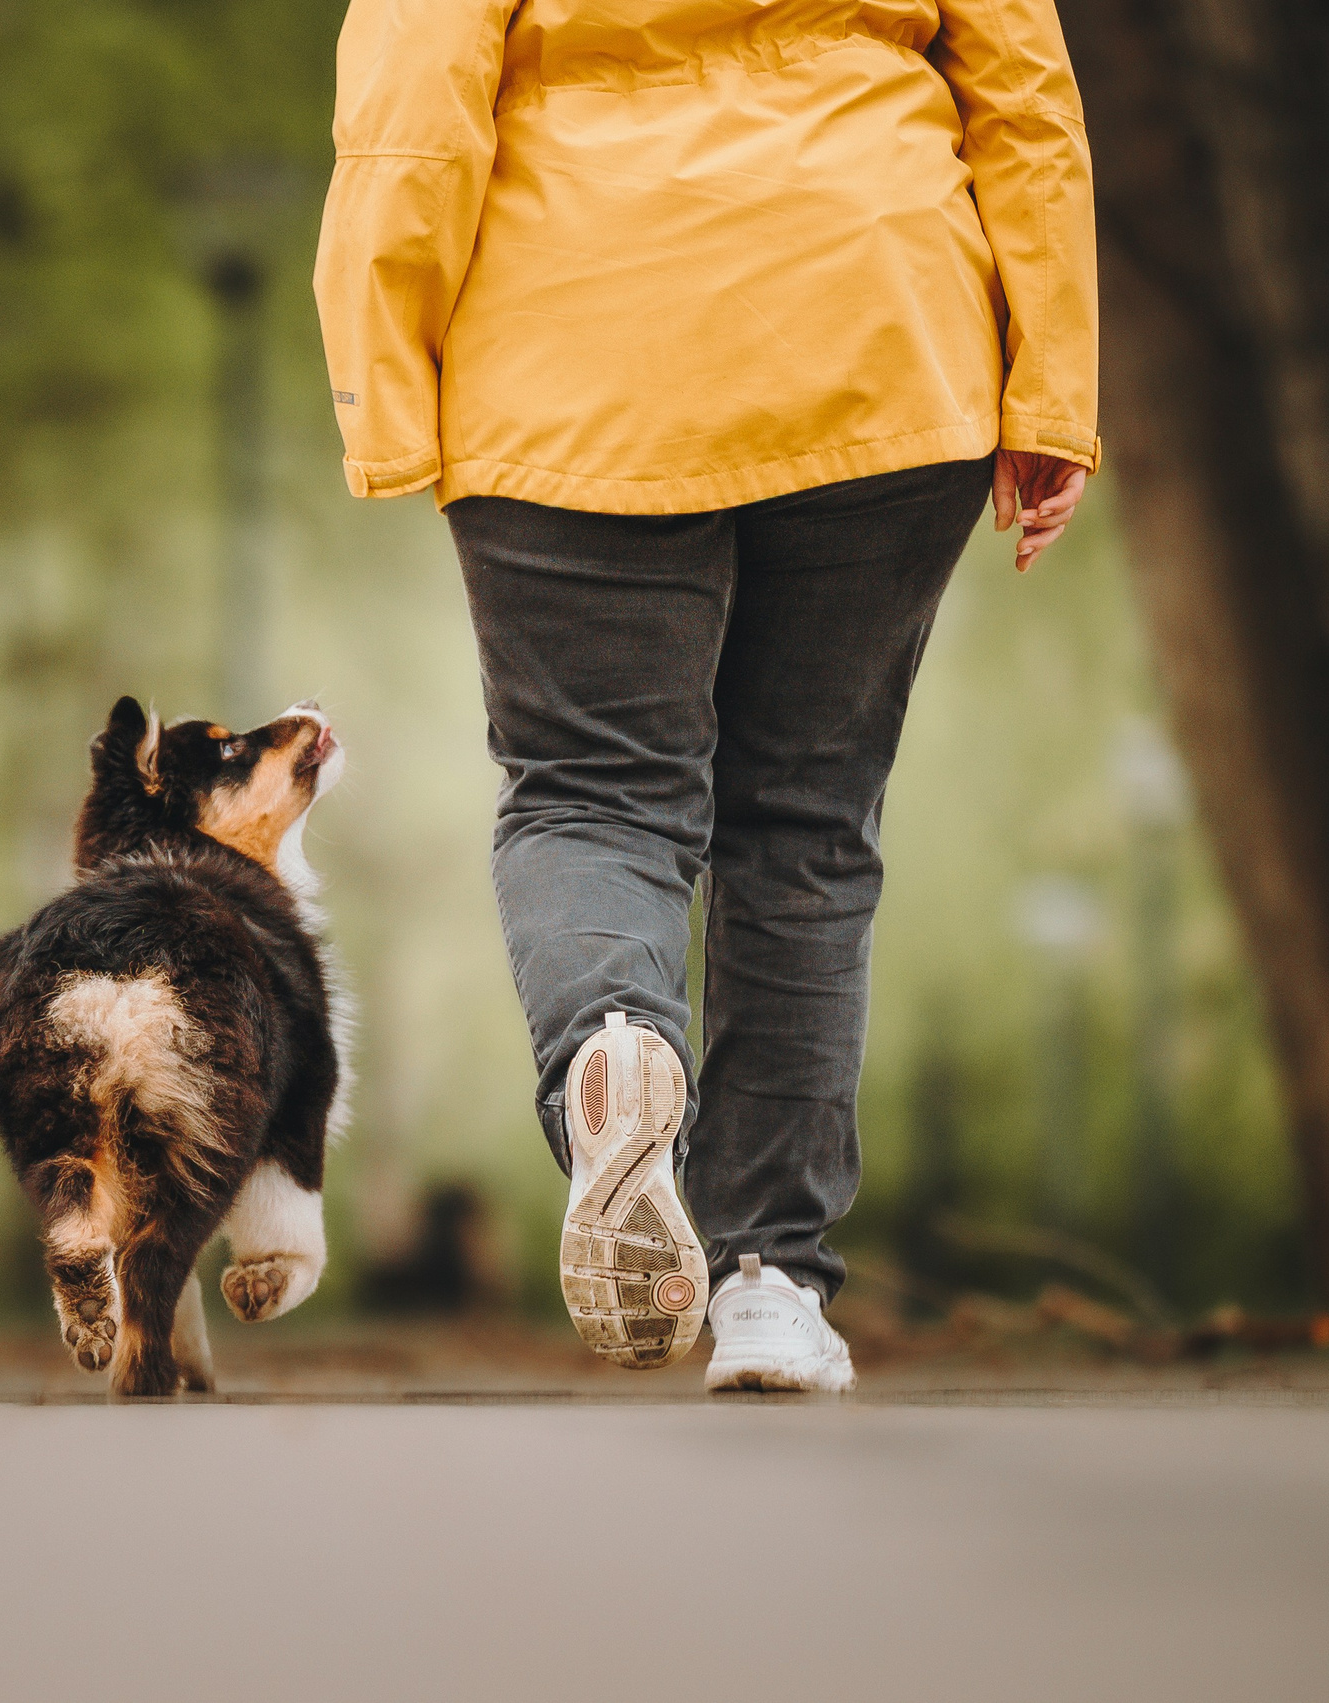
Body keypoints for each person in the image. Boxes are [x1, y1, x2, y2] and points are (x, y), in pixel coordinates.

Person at [314, 0, 1099, 1391]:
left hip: (573, 347)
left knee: (589, 794)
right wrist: (1053, 383)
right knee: (804, 824)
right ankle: (771, 1284)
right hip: (873, 315)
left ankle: (616, 1045)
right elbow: (1021, 92)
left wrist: (388, 379)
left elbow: (416, 95)